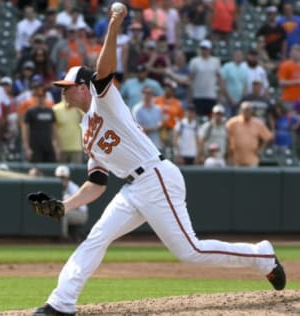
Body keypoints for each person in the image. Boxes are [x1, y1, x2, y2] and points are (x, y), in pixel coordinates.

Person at [31, 5, 285, 316]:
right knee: (96, 237)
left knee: (190, 251)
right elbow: (97, 183)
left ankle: (261, 256)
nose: (64, 93)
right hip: (133, 188)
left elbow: (106, 67)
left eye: (68, 88)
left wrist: (114, 25)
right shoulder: (85, 130)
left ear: (83, 87)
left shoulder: (103, 100)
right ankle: (60, 303)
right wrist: (63, 206)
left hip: (156, 176)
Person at [226, 101, 273, 167]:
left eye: (249, 110)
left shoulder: (258, 123)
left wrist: (261, 149)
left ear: (252, 111)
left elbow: (268, 137)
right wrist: (228, 151)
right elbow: (225, 135)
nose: (247, 112)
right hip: (235, 159)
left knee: (251, 177)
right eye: (245, 110)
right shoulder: (233, 122)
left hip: (252, 159)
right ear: (240, 111)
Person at [55, 165, 88, 242]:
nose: (61, 180)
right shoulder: (55, 187)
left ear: (67, 178)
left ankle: (64, 237)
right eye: (59, 178)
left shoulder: (73, 188)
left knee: (62, 212)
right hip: (70, 211)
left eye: (63, 178)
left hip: (81, 213)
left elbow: (81, 206)